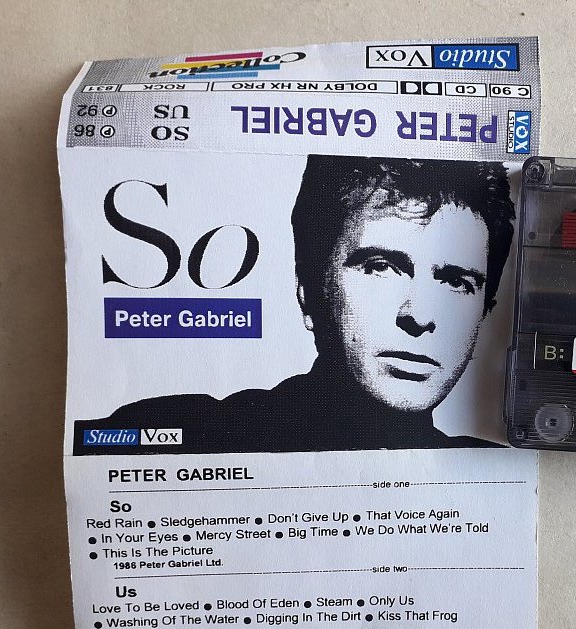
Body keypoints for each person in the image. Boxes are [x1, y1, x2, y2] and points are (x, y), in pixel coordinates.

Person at [74, 155, 515, 454]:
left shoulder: (491, 472)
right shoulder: (183, 435)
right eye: (379, 267)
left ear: (486, 311)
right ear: (308, 290)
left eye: (456, 282)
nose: (419, 317)